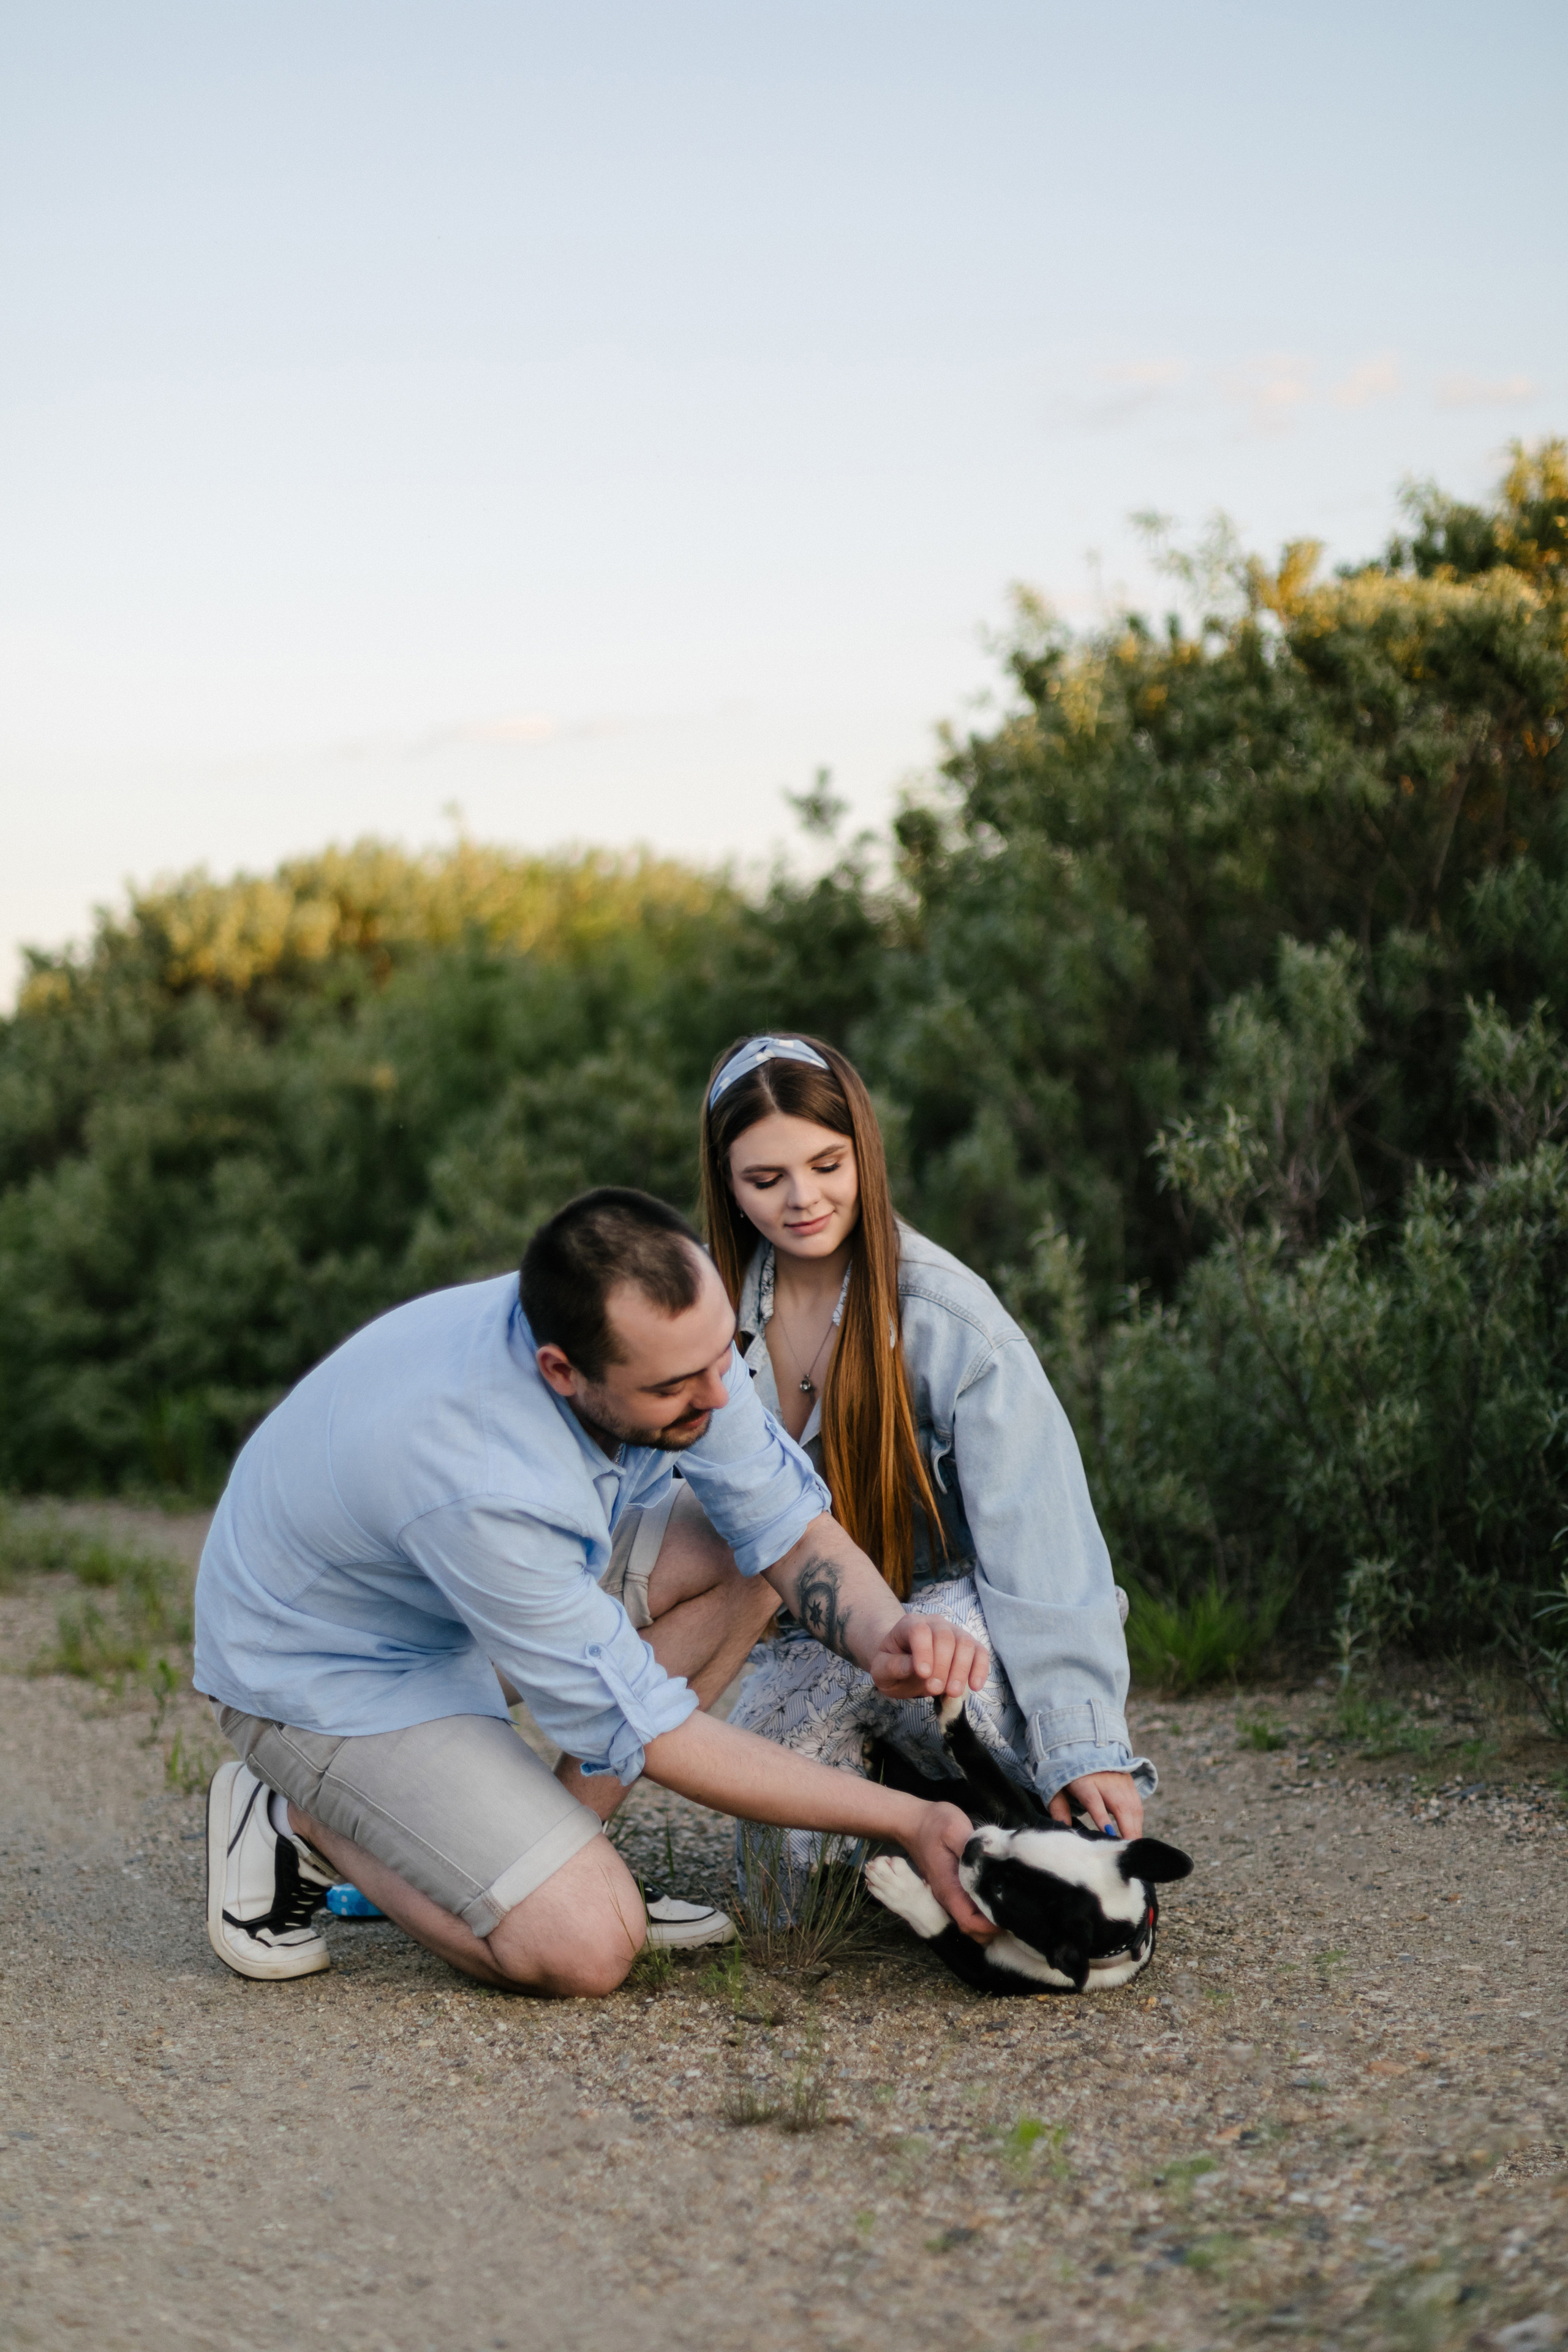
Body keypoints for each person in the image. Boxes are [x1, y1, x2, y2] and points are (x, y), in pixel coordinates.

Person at [194, 1188, 993, 1997]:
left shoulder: (661, 1340)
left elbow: (781, 1529)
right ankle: (299, 1810)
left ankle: (533, 1847)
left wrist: (883, 1633)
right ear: (561, 1372)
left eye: (726, 1355)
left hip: (439, 1593)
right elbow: (655, 1731)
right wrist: (904, 1819)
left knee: (743, 1554)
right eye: (677, 1387)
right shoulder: (483, 1475)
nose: (721, 1399)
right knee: (589, 1943)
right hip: (326, 1673)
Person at [696, 1034, 1154, 1899]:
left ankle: (999, 1816)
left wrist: (1081, 1742)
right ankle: (888, 1818)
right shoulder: (703, 1324)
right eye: (766, 1180)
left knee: (969, 1692)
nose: (804, 1199)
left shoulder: (951, 1319)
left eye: (828, 1164)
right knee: (775, 1904)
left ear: (863, 1149)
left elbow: (1042, 1544)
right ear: (726, 1184)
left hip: (952, 1620)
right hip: (815, 1636)